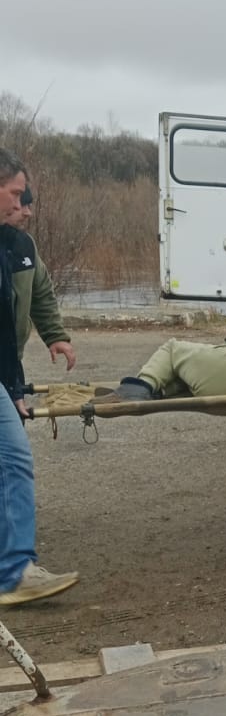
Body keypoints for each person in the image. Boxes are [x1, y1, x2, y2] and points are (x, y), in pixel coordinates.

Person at [0, 148, 78, 607]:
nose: (21, 206)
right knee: (12, 460)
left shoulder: (19, 247)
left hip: (4, 369)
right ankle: (13, 573)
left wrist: (56, 336)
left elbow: (40, 294)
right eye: (14, 194)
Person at [5, 185, 77, 373]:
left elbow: (41, 294)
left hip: (12, 359)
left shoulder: (25, 245)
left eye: (30, 206)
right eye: (24, 205)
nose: (29, 213)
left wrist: (55, 336)